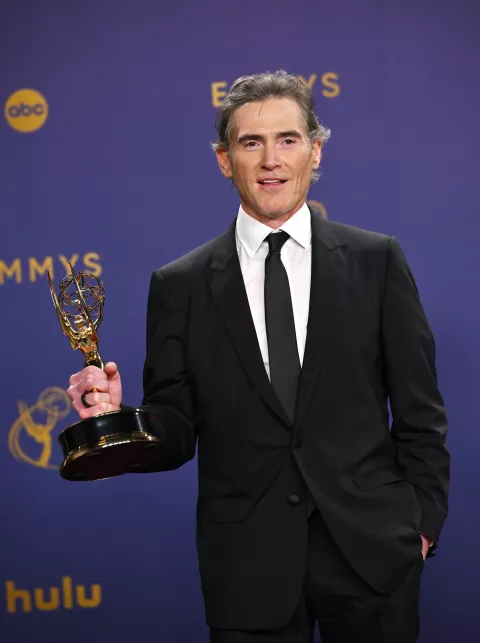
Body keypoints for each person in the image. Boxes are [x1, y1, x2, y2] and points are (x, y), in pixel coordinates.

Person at [67, 70, 450, 643]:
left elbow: (421, 414)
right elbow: (176, 429)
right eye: (251, 143)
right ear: (225, 159)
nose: (271, 159)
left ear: (314, 152)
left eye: (288, 140)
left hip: (373, 555)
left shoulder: (378, 262)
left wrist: (419, 526)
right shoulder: (180, 285)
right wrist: (120, 422)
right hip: (246, 566)